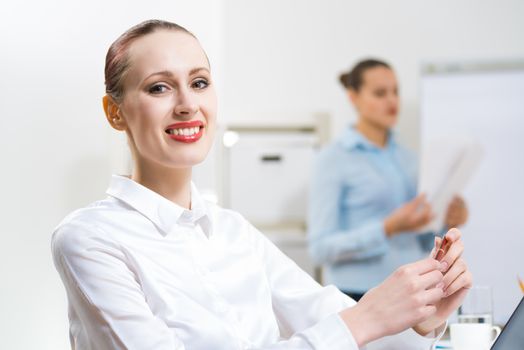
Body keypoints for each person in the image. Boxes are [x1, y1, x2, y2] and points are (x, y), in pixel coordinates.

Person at [52, 21, 472, 350]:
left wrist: (424, 318)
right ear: (115, 112)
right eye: (159, 87)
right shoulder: (90, 239)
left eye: (199, 82)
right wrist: (365, 319)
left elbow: (327, 315)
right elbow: (352, 328)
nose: (187, 104)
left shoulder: (233, 231)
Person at [308, 59, 469, 302]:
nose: (392, 100)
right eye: (380, 93)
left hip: (412, 292)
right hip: (357, 297)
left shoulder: (409, 159)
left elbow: (422, 238)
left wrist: (445, 222)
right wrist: (387, 228)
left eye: (395, 92)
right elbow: (320, 249)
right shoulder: (333, 159)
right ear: (353, 97)